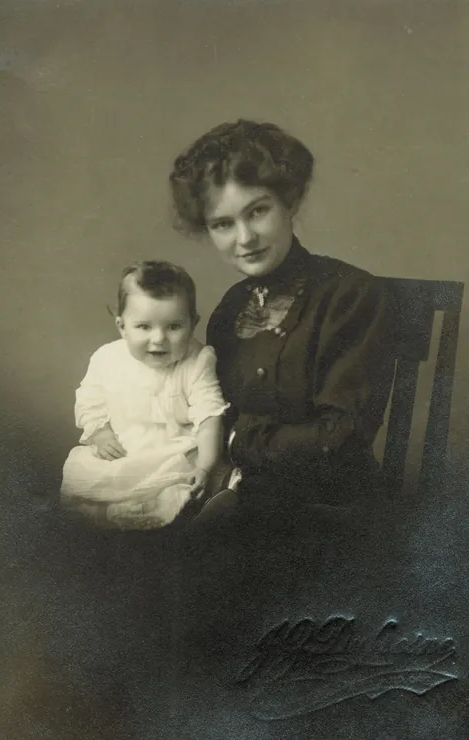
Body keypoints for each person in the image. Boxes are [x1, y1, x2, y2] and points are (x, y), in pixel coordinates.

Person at [169, 119, 396, 516]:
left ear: (288, 201)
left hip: (328, 511)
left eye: (257, 211)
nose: (244, 239)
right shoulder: (229, 309)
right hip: (242, 498)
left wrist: (237, 444)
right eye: (223, 224)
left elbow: (338, 440)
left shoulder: (352, 295)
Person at [60, 260, 228, 529]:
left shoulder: (198, 360)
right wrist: (102, 435)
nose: (159, 338)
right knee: (93, 489)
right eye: (144, 327)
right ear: (122, 325)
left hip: (178, 452)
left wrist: (205, 466)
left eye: (174, 327)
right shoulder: (107, 359)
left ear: (193, 323)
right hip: (125, 450)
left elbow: (209, 416)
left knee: (179, 496)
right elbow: (90, 402)